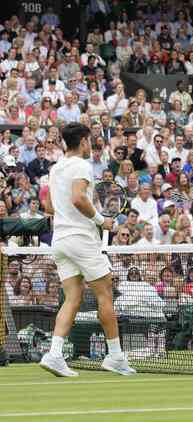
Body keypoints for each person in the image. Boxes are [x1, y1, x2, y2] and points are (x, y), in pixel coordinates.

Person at [40, 123, 135, 377]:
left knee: (73, 297)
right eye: (89, 140)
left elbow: (49, 206)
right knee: (105, 294)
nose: (90, 144)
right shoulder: (82, 166)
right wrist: (100, 220)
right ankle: (115, 357)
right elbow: (78, 198)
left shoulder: (56, 168)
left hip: (60, 241)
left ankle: (55, 354)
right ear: (83, 141)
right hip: (81, 239)